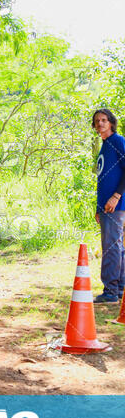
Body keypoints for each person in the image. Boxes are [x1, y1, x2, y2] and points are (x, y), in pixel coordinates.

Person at [92, 109, 125, 303]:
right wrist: (98, 207)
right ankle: (119, 288)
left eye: (104, 120)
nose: (100, 123)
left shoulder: (118, 141)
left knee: (111, 247)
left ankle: (110, 291)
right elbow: (103, 179)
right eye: (97, 121)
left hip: (116, 205)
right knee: (117, 246)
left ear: (111, 123)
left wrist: (116, 196)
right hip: (105, 207)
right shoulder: (104, 147)